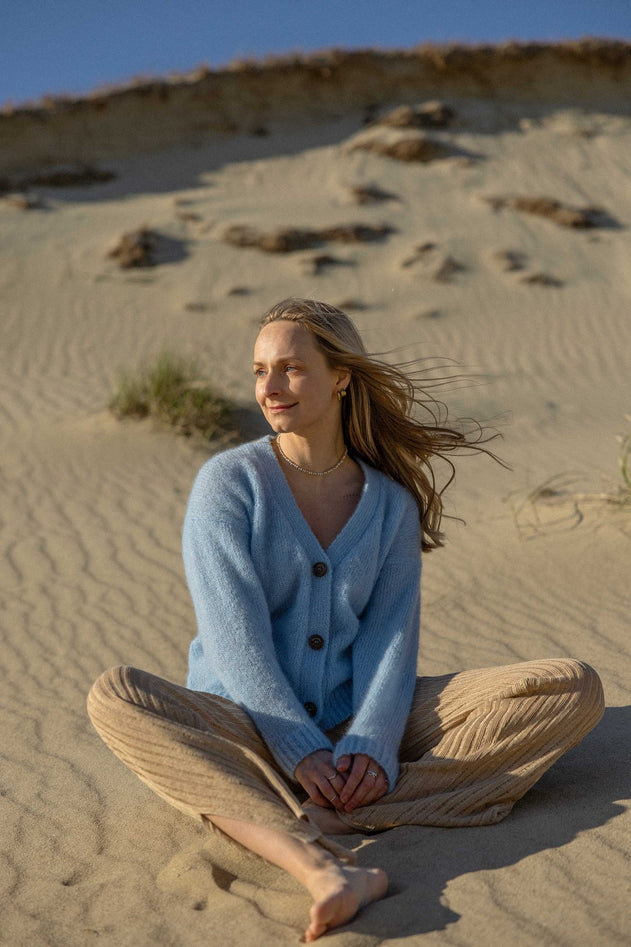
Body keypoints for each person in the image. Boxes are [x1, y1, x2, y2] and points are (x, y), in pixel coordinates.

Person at [88, 298, 604, 942]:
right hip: (246, 720)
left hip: (355, 720)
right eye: (258, 371)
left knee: (570, 686)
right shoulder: (229, 483)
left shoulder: (387, 504)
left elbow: (391, 640)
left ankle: (324, 808)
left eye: (291, 369)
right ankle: (317, 859)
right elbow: (234, 639)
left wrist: (373, 743)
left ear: (340, 377)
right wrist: (300, 749)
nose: (269, 389)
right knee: (117, 696)